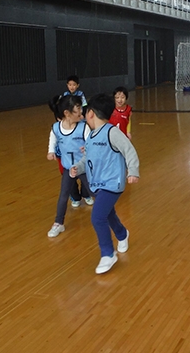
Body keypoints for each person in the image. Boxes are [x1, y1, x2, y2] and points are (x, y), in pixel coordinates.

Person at [70, 94, 139, 275]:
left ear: (91, 113)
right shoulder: (92, 136)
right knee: (108, 214)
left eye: (85, 114)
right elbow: (88, 158)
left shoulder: (112, 132)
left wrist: (133, 171)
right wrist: (78, 167)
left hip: (112, 183)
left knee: (97, 217)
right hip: (97, 184)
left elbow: (129, 150)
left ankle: (108, 253)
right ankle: (122, 234)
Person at [46, 95, 94, 238]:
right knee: (63, 196)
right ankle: (58, 223)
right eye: (78, 111)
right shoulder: (56, 128)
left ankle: (109, 217)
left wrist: (88, 149)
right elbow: (52, 139)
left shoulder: (83, 127)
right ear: (67, 113)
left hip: (83, 168)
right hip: (68, 168)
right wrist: (51, 151)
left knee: (95, 192)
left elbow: (91, 142)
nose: (81, 114)